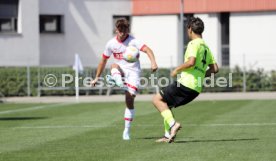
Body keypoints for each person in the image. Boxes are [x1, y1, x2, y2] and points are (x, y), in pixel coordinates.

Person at [152, 17, 219, 143]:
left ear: (190, 29)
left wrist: (177, 69)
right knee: (167, 104)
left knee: (156, 99)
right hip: (196, 88)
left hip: (186, 83)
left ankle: (173, 124)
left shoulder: (194, 44)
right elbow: (215, 69)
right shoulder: (206, 47)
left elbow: (191, 62)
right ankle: (168, 136)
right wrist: (202, 74)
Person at [91, 18, 158, 140]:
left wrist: (153, 63)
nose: (122, 32)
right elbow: (103, 60)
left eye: (124, 29)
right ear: (116, 30)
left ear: (127, 29)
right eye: (120, 29)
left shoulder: (134, 41)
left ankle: (126, 130)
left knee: (129, 100)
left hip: (133, 73)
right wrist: (96, 78)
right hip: (120, 69)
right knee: (113, 65)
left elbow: (147, 50)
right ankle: (117, 80)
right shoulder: (111, 44)